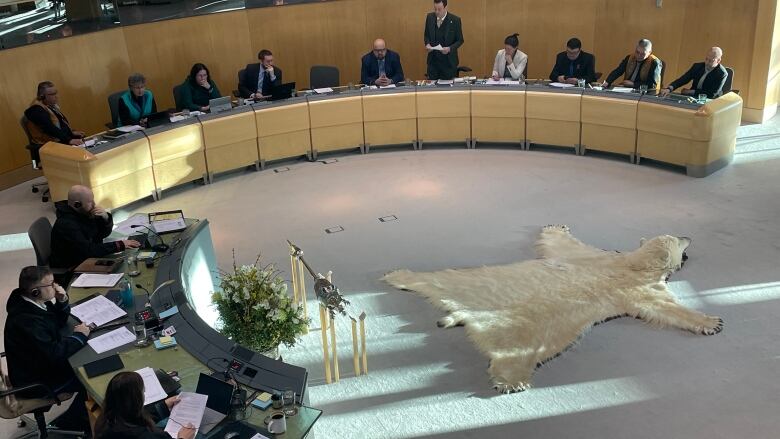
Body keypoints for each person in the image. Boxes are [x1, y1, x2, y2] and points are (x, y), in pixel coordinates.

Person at [3, 266, 92, 433]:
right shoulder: (27, 320)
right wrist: (79, 337)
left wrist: (62, 299)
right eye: (51, 284)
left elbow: (55, 322)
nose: (56, 286)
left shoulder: (30, 303)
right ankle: (77, 423)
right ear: (35, 292)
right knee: (89, 374)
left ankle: (77, 418)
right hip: (36, 382)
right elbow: (54, 354)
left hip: (36, 367)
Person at [50, 185, 140, 275]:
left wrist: (105, 218)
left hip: (86, 257)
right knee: (121, 270)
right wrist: (119, 244)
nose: (94, 204)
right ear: (77, 204)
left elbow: (100, 235)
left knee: (124, 258)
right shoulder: (66, 224)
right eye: (90, 202)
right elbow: (88, 250)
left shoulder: (81, 212)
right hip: (72, 266)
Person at [94, 371, 196, 439]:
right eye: (142, 392)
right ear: (136, 400)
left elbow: (133, 417)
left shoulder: (105, 420)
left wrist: (163, 406)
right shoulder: (148, 436)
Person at [24, 81, 85, 148]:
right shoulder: (36, 110)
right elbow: (49, 128)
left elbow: (60, 124)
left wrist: (71, 132)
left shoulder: (48, 106)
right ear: (42, 96)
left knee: (83, 139)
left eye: (56, 93)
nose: (56, 96)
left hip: (58, 140)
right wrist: (69, 140)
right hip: (49, 145)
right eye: (52, 94)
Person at [661, 47, 728, 99]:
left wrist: (692, 92)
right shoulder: (697, 66)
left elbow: (713, 93)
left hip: (710, 101)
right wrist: (669, 89)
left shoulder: (722, 73)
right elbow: (683, 79)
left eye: (710, 61)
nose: (707, 63)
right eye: (706, 59)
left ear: (718, 60)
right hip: (694, 98)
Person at [423, 0, 464, 80]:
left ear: (445, 7)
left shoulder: (455, 20)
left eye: (439, 9)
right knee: (432, 89)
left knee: (448, 89)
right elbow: (426, 35)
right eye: (435, 9)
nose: (437, 12)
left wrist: (449, 49)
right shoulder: (430, 17)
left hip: (448, 63)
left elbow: (460, 40)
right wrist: (427, 44)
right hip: (433, 63)